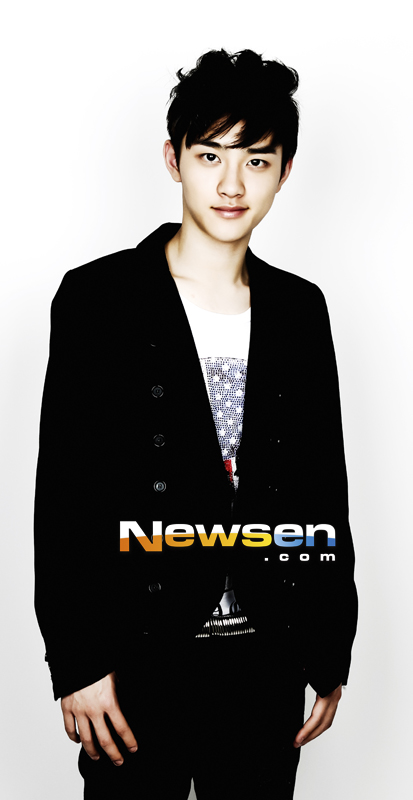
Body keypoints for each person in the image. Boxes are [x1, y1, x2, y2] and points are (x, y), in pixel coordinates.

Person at [34, 49, 358, 799]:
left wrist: (328, 650)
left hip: (266, 658)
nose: (231, 183)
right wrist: (78, 663)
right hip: (138, 655)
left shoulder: (300, 310)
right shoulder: (98, 299)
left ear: (284, 172)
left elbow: (322, 490)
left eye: (256, 159)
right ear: (173, 159)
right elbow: (66, 495)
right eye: (210, 155)